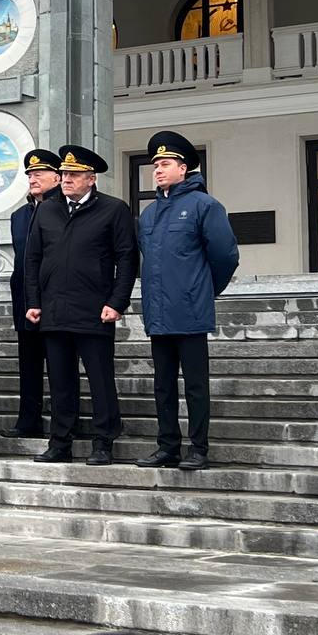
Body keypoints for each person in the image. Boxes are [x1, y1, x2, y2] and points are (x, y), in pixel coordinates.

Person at [25, 145, 138, 466]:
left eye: (74, 175)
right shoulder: (47, 210)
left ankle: (103, 441)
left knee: (100, 380)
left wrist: (117, 302)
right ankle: (60, 442)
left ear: (92, 178)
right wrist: (33, 301)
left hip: (94, 309)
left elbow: (127, 259)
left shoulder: (113, 210)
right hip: (54, 309)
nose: (66, 180)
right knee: (60, 381)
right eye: (63, 174)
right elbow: (33, 259)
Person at [136, 131, 239, 472]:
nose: (158, 170)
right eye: (155, 165)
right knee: (163, 386)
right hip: (159, 313)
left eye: (165, 164)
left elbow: (225, 255)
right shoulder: (149, 215)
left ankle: (198, 448)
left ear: (184, 168)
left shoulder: (204, 206)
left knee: (195, 386)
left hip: (191, 311)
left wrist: (206, 291)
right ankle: (167, 446)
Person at [4, 149, 62, 439]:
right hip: (24, 297)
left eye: (39, 173)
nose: (33, 178)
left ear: (57, 176)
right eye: (29, 174)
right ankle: (28, 420)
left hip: (53, 298)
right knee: (28, 363)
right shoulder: (20, 215)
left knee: (59, 364)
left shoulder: (62, 209)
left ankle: (65, 421)